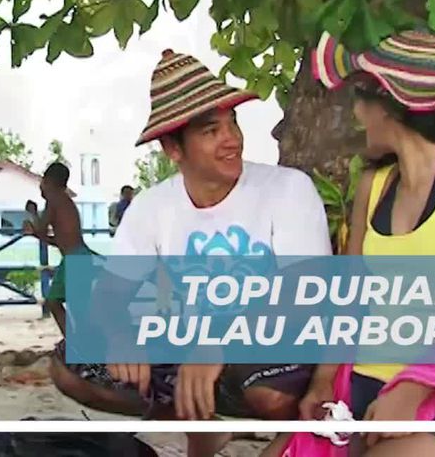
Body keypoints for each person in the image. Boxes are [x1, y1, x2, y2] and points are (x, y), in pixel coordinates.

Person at [49, 49, 333, 457]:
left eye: (232, 123)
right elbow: (110, 296)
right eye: (210, 130)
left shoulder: (287, 188)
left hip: (270, 351)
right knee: (71, 363)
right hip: (189, 355)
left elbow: (305, 295)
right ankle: (193, 424)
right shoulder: (151, 206)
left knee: (269, 393)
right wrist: (120, 334)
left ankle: (285, 435)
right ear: (173, 149)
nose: (231, 139)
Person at [282, 31, 435, 457]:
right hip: (360, 385)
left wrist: (413, 386)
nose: (355, 113)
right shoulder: (373, 186)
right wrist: (322, 382)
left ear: (389, 104)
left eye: (359, 99)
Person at [27, 162, 90, 336]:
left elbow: (41, 228)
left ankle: (78, 344)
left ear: (46, 181)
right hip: (76, 256)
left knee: (68, 306)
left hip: (74, 258)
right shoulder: (64, 200)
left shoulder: (53, 199)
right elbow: (61, 240)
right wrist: (35, 233)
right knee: (60, 303)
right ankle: (74, 342)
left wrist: (32, 214)